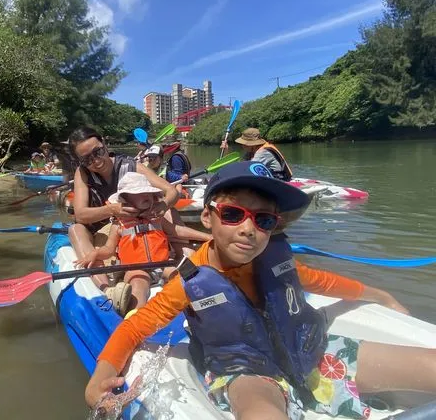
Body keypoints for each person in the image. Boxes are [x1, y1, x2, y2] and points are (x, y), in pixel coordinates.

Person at [85, 161, 435, 420]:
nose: (249, 229)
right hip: (245, 373)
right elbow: (135, 326)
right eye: (233, 214)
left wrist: (379, 295)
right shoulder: (190, 283)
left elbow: (322, 281)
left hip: (312, 352)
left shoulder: (275, 261)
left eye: (263, 219)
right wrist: (101, 376)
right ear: (207, 218)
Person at [67, 127, 179, 308]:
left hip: (137, 223)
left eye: (98, 152)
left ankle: (182, 256)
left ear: (104, 143)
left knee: (169, 211)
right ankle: (107, 290)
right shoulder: (83, 173)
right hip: (104, 229)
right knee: (75, 229)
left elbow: (171, 191)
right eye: (87, 159)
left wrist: (163, 205)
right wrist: (113, 210)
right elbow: (80, 214)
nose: (96, 161)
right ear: (80, 162)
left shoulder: (131, 166)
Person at [74, 172, 212, 315]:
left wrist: (208, 237)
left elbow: (177, 231)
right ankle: (135, 315)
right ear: (126, 199)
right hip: (135, 268)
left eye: (149, 192)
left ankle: (194, 309)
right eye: (140, 193)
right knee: (139, 285)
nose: (147, 195)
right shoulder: (119, 224)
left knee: (178, 276)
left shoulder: (156, 218)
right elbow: (109, 249)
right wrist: (95, 253)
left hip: (163, 265)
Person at [222, 127, 293, 181]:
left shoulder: (263, 152)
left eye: (244, 143)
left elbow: (247, 170)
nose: (242, 145)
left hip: (280, 180)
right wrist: (226, 151)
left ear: (252, 144)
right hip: (269, 179)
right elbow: (240, 166)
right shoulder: (251, 151)